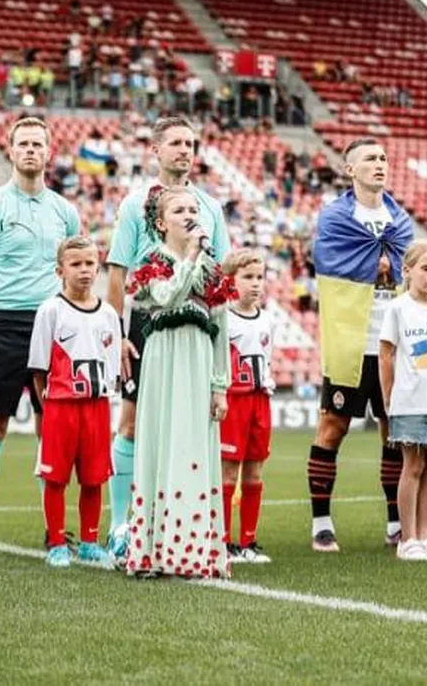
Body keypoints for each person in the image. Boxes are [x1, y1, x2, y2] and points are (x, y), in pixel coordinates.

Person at [0, 117, 81, 556]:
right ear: (10, 150)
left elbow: (75, 272)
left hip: (54, 327)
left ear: (49, 152)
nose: (30, 150)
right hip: (4, 326)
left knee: (54, 430)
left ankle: (54, 531)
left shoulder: (65, 212)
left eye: (37, 144)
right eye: (23, 143)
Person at [104, 116, 229, 557]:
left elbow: (221, 274)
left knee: (192, 422)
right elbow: (118, 271)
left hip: (195, 323)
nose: (184, 150)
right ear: (155, 150)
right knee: (132, 421)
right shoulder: (134, 204)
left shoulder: (210, 207)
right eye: (175, 142)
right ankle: (122, 525)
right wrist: (118, 333)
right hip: (149, 318)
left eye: (190, 144)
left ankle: (187, 528)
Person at [308, 137, 413, 553]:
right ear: (350, 169)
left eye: (384, 157)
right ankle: (321, 522)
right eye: (370, 158)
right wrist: (376, 263)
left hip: (392, 342)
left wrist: (390, 265)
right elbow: (327, 260)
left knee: (394, 431)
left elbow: (409, 267)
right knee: (333, 426)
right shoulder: (336, 217)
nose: (379, 163)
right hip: (351, 337)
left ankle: (396, 523)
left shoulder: (400, 220)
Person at [123, 186, 232, 579]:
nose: (189, 216)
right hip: (163, 358)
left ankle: (195, 551)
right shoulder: (152, 262)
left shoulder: (211, 268)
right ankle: (154, 550)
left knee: (194, 445)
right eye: (179, 210)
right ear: (160, 222)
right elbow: (168, 297)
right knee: (161, 440)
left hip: (198, 358)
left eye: (193, 209)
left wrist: (220, 385)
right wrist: (189, 257)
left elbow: (221, 326)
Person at [28, 236, 121, 568]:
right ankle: (56, 543)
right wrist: (50, 406)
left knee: (94, 477)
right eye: (76, 264)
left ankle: (90, 542)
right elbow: (38, 369)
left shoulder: (108, 314)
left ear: (98, 267)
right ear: (60, 271)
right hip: (61, 406)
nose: (84, 270)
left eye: (89, 263)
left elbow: (112, 368)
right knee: (55, 478)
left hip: (96, 407)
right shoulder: (50, 311)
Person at [378, 240, 427, 561]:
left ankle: (424, 537)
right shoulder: (398, 309)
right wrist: (389, 397)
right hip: (410, 400)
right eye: (426, 268)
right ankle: (407, 539)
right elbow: (386, 354)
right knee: (413, 466)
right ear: (407, 271)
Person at [219, 249, 273, 565]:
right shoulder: (223, 319)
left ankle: (248, 542)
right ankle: (223, 542)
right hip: (233, 401)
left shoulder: (266, 319)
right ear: (231, 281)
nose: (255, 284)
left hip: (259, 400)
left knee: (254, 470)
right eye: (248, 277)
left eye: (259, 277)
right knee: (228, 471)